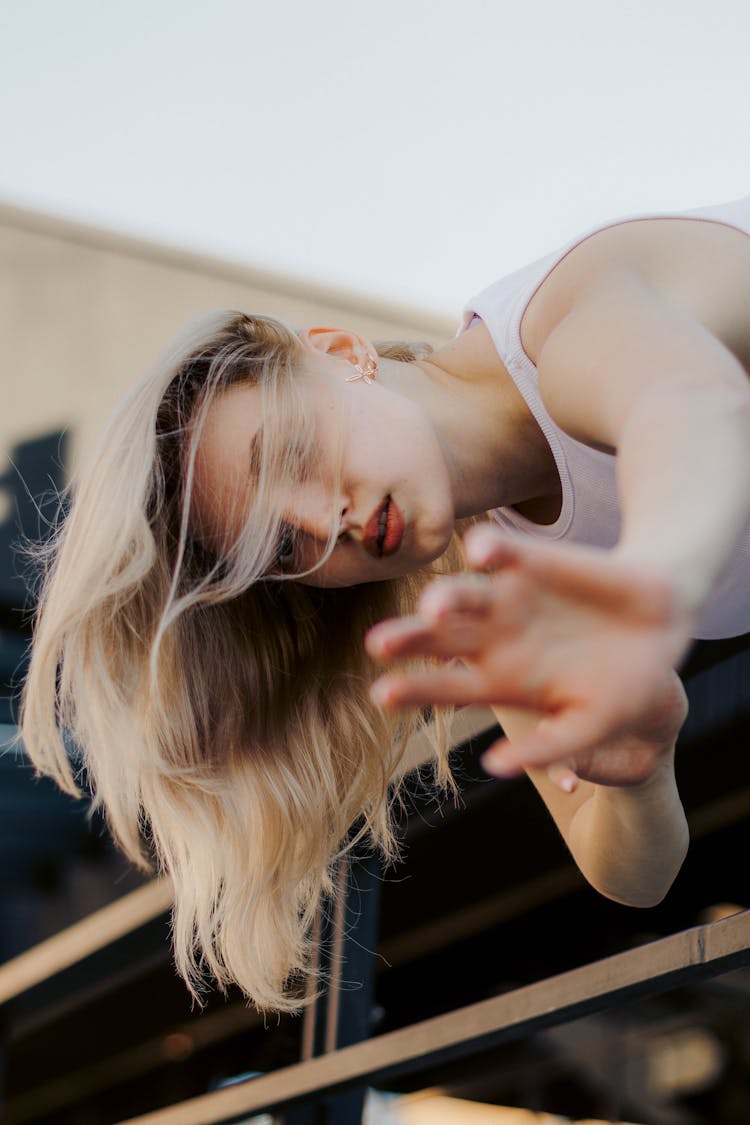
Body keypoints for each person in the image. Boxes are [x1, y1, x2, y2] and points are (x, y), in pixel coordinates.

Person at [20, 194, 750, 1013]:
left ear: (337, 353)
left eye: (289, 452)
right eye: (284, 552)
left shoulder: (569, 323)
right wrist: (635, 773)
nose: (320, 521)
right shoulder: (483, 591)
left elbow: (690, 403)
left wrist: (650, 589)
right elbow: (631, 872)